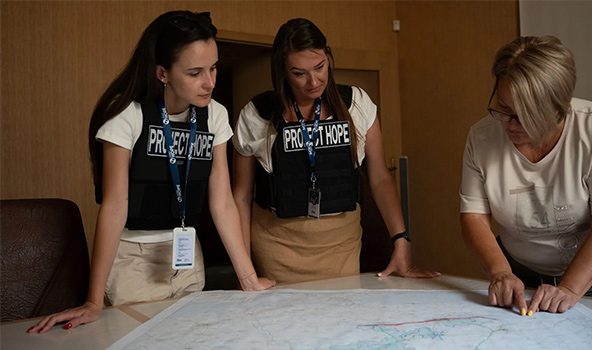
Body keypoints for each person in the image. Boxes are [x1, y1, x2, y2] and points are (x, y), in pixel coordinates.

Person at [28, 10, 275, 333]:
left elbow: (222, 202)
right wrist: (93, 300)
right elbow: (115, 205)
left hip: (187, 259)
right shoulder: (126, 113)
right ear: (162, 73)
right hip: (133, 261)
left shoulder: (214, 115)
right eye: (195, 73)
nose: (210, 82)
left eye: (213, 68)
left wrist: (248, 279)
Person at [232, 18, 440, 284]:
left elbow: (379, 178)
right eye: (299, 73)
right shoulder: (257, 114)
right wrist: (244, 269)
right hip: (277, 247)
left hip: (341, 245)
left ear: (328, 57)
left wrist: (400, 240)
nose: (313, 81)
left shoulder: (357, 104)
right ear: (282, 71)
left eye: (320, 67)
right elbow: (241, 196)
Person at [460, 36, 592, 316]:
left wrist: (569, 289)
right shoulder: (482, 137)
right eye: (504, 109)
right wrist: (500, 272)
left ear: (559, 110)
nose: (510, 125)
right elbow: (473, 215)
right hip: (520, 267)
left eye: (526, 116)